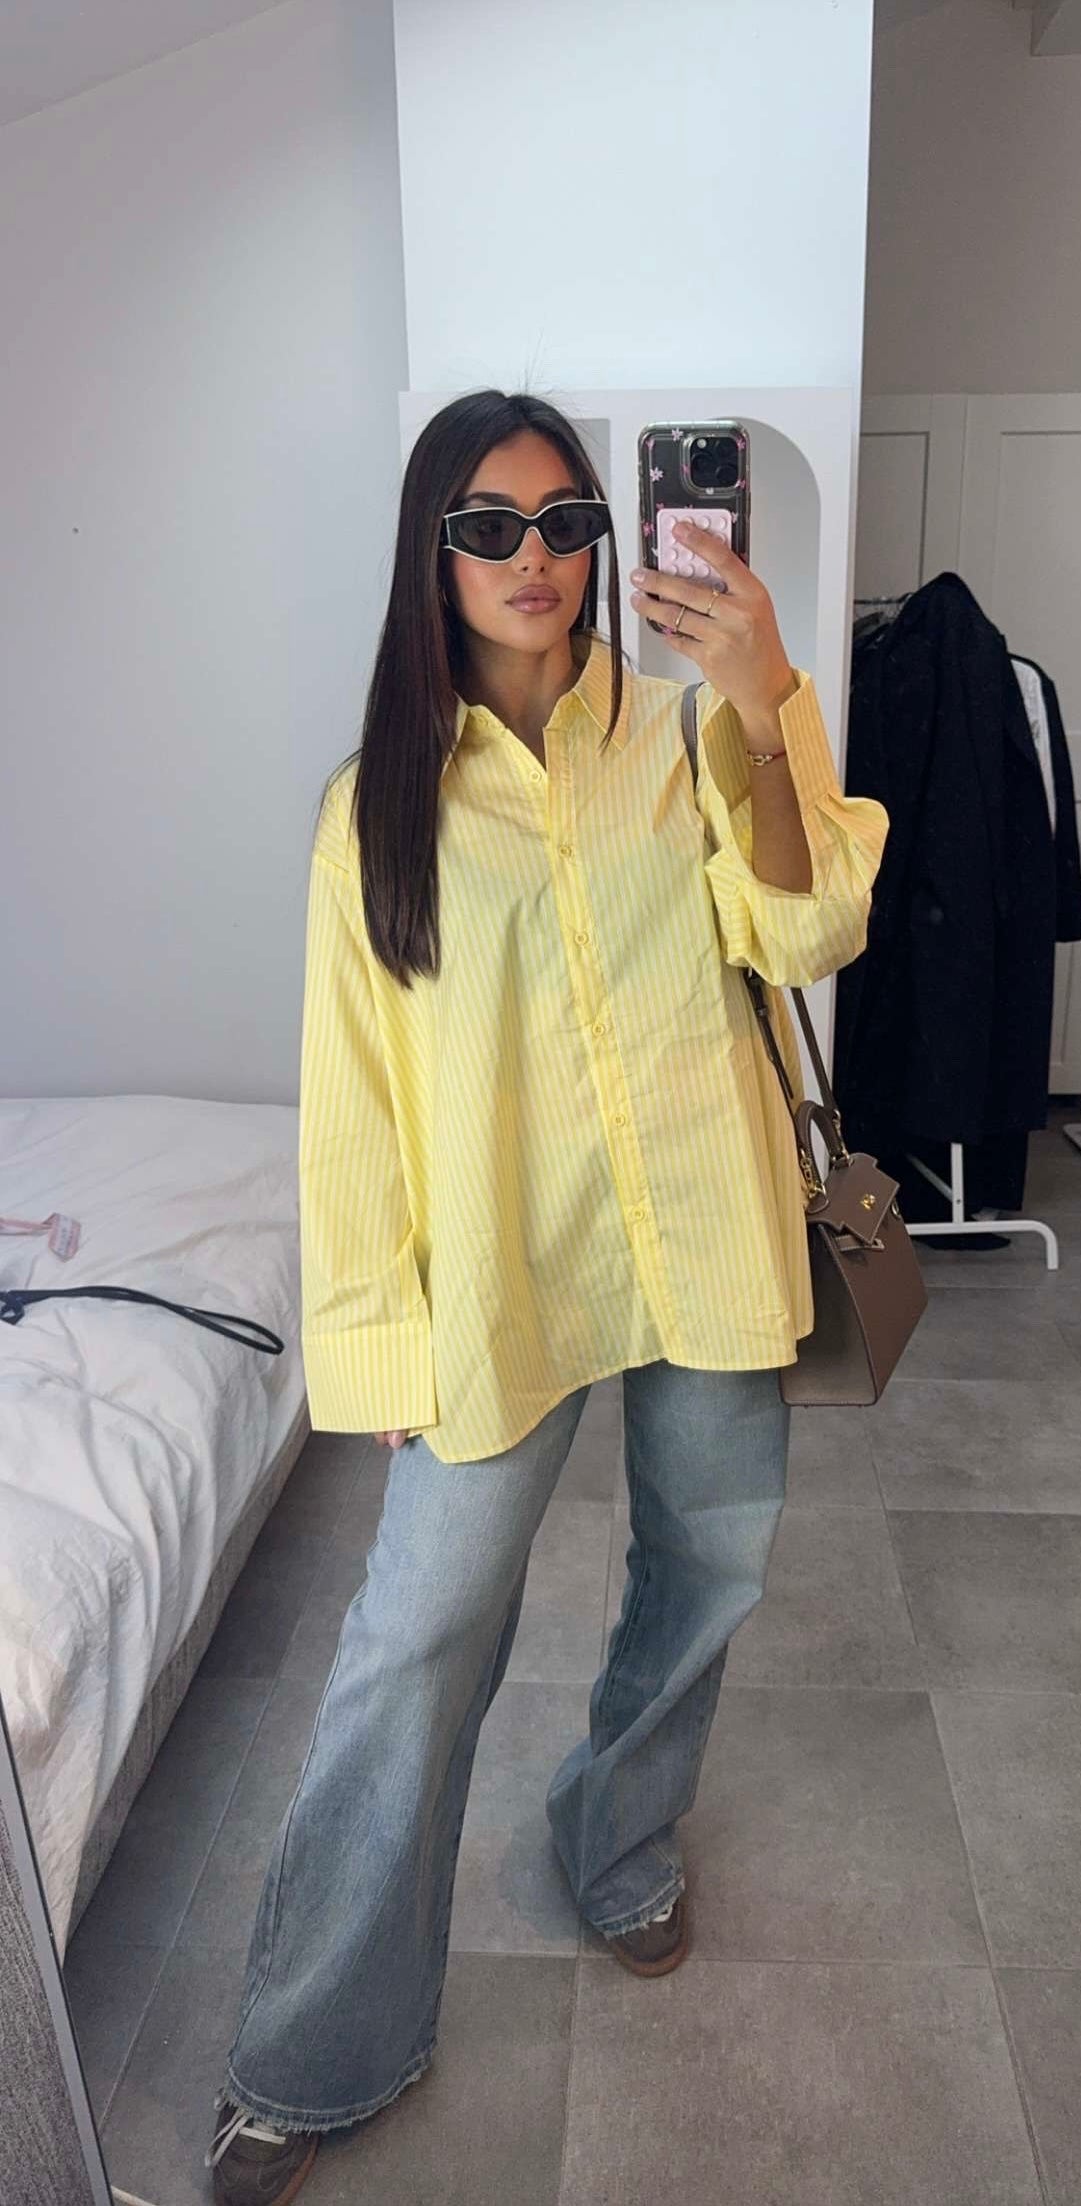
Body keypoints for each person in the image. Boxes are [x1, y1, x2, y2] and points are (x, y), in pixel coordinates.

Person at [206, 389, 889, 2203]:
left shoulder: (690, 730)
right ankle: (314, 2045)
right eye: (489, 527)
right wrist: (378, 1339)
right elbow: (355, 1103)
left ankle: (620, 1839)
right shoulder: (372, 809)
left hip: (706, 1238)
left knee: (705, 1573)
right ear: (430, 554)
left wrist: (763, 695)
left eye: (567, 520)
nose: (536, 558)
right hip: (505, 1276)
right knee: (414, 1639)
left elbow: (812, 930)